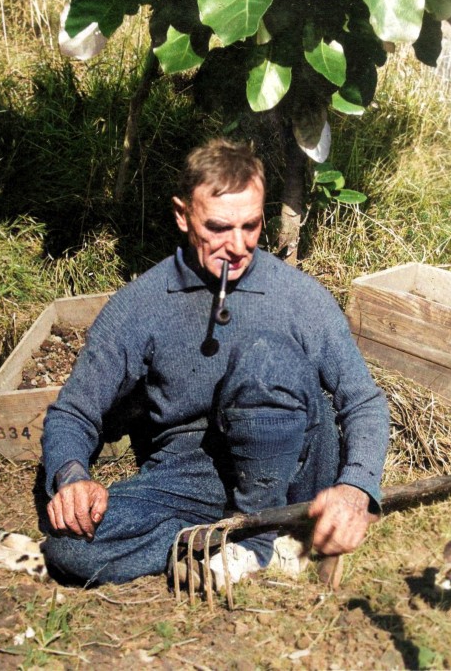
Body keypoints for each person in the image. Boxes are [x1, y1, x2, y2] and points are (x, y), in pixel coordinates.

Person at [40, 138, 390, 587]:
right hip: (193, 477)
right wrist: (71, 476)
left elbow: (362, 401)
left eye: (251, 225)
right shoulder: (140, 305)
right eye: (219, 227)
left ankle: (259, 539)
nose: (238, 246)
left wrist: (356, 488)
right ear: (182, 215)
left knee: (264, 358)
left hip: (294, 469)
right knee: (68, 545)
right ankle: (235, 540)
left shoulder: (299, 297)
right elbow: (73, 413)